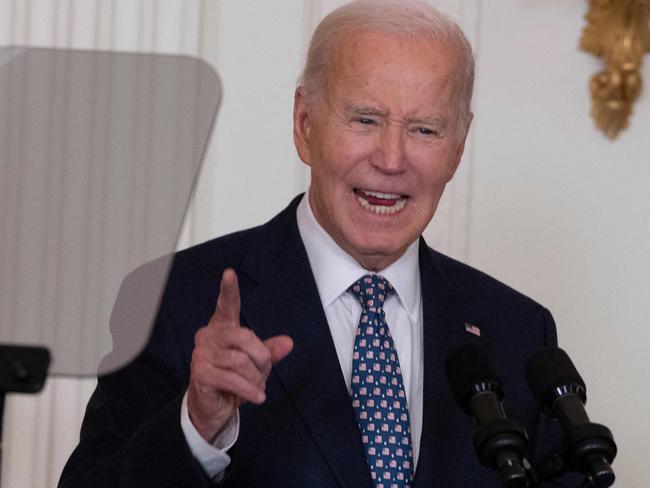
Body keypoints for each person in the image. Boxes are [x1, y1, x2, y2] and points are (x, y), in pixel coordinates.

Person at [60, 1, 579, 486]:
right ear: (305, 123)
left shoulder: (517, 332)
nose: (392, 159)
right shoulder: (172, 298)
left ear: (458, 149)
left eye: (424, 129)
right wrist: (197, 425)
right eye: (365, 120)